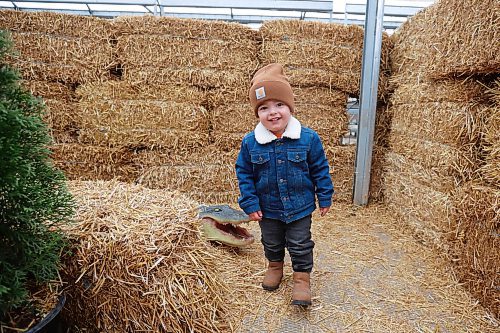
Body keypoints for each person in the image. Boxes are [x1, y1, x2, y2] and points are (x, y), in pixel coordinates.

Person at [235, 63, 334, 306]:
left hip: (300, 206)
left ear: (290, 106)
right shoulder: (250, 142)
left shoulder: (308, 138)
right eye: (264, 108)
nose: (273, 112)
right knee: (271, 241)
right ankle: (275, 266)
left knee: (300, 243)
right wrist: (249, 201)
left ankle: (301, 278)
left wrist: (325, 196)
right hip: (267, 208)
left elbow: (320, 168)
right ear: (257, 114)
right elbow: (244, 173)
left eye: (280, 105)